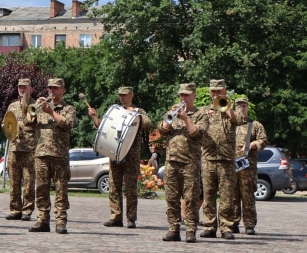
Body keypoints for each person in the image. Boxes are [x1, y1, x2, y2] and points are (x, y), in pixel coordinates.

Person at [89, 86, 151, 228]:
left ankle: (131, 219)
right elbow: (102, 128)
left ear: (132, 95)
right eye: (120, 95)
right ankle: (116, 217)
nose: (121, 97)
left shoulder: (138, 111)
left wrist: (137, 115)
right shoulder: (115, 111)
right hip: (114, 153)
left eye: (124, 95)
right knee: (114, 187)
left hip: (131, 156)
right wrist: (94, 116)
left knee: (131, 188)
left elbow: (148, 125)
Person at [157, 83, 207, 243]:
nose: (183, 98)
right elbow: (162, 130)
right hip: (172, 162)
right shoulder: (173, 112)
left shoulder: (200, 115)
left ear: (194, 96)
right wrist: (171, 115)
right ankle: (173, 230)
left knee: (191, 199)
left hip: (190, 164)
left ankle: (191, 231)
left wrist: (186, 118)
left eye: (186, 95)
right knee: (171, 198)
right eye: (181, 95)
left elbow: (196, 134)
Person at [199, 79, 247, 240]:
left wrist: (227, 108)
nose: (215, 94)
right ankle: (209, 226)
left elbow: (241, 120)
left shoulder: (232, 108)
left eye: (219, 91)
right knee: (209, 194)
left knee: (227, 196)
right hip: (208, 159)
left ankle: (226, 227)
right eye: (213, 91)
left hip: (226, 159)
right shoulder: (204, 110)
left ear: (225, 91)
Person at [28, 78, 76, 234]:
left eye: (55, 88)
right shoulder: (41, 107)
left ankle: (61, 222)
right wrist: (35, 107)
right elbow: (28, 121)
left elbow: (67, 124)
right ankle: (42, 220)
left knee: (61, 190)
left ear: (63, 90)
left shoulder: (68, 108)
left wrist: (51, 112)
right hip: (41, 153)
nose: (52, 91)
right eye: (50, 88)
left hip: (59, 155)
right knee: (41, 189)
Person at [232, 97, 268, 235]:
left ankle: (249, 225)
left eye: (243, 105)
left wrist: (253, 144)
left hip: (247, 167)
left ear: (247, 107)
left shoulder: (255, 124)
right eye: (238, 105)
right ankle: (233, 223)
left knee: (248, 197)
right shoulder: (230, 124)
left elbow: (263, 140)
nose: (241, 108)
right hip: (231, 166)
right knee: (232, 197)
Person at [4, 79, 37, 221]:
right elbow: (5, 123)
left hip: (29, 149)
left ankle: (27, 211)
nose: (22, 90)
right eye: (20, 87)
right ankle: (15, 209)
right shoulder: (12, 106)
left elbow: (37, 122)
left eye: (24, 87)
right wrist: (6, 128)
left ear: (31, 89)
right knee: (14, 182)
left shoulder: (36, 105)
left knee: (29, 182)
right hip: (14, 148)